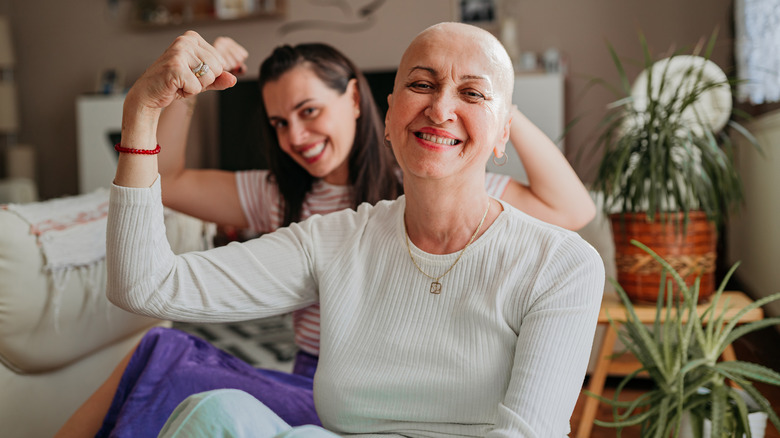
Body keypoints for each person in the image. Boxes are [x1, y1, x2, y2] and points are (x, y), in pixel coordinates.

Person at [97, 21, 605, 436]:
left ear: (503, 134)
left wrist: (493, 97)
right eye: (422, 84)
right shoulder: (332, 237)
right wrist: (141, 112)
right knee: (215, 411)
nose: (441, 107)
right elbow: (143, 285)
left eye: (472, 93)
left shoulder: (560, 264)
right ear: (387, 117)